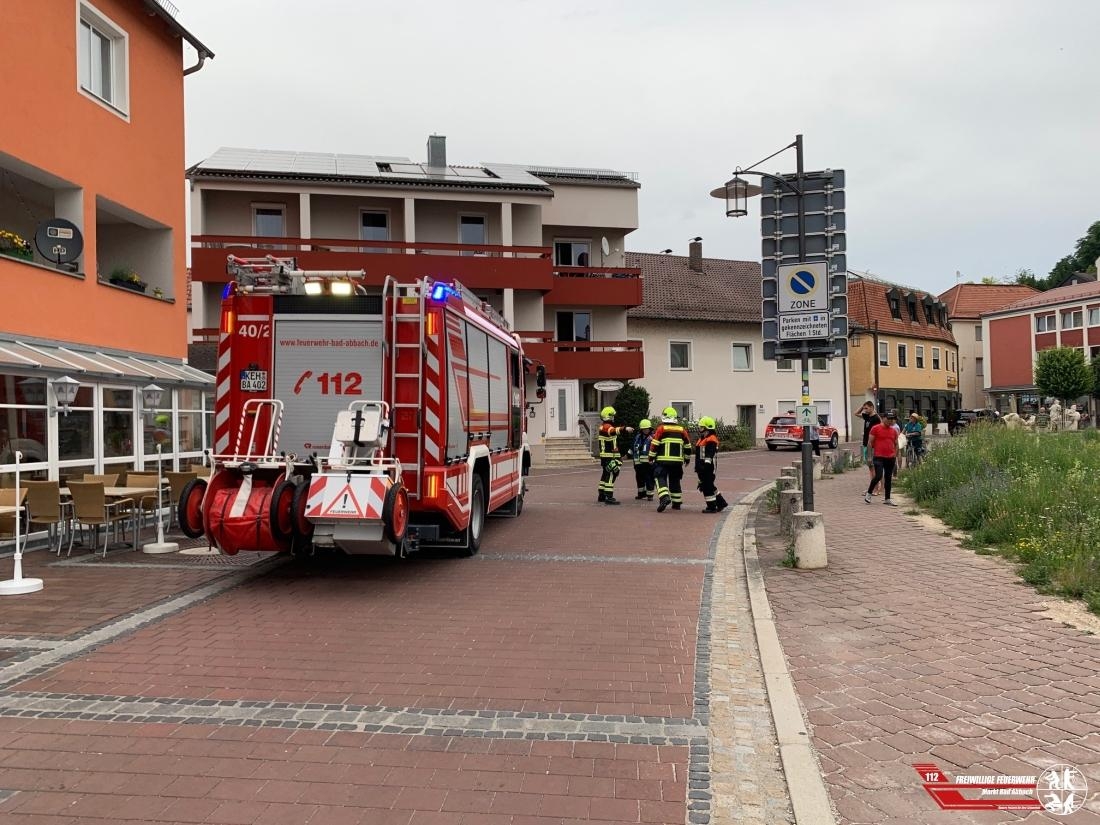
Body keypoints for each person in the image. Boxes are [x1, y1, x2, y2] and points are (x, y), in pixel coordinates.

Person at [649, 406, 692, 512]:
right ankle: (677, 503)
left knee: (659, 477)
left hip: (662, 461)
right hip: (677, 462)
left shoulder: (661, 429)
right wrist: (687, 459)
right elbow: (688, 446)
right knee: (675, 480)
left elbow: (654, 444)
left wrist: (651, 457)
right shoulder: (682, 430)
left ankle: (664, 497)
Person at [596, 406, 633, 505]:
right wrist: (625, 429)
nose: (614, 418)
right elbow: (612, 431)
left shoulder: (603, 426)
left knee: (605, 474)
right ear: (609, 416)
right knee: (612, 474)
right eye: (612, 416)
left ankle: (601, 494)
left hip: (607, 456)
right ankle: (609, 496)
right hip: (609, 456)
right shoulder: (606, 427)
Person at [694, 416, 728, 513]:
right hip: (702, 467)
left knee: (707, 487)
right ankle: (721, 503)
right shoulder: (703, 438)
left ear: (707, 428)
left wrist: (705, 466)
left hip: (708, 468)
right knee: (709, 485)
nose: (700, 429)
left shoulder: (711, 439)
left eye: (701, 427)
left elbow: (709, 454)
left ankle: (711, 507)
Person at [865, 410, 900, 506]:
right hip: (878, 457)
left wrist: (895, 455)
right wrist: (869, 457)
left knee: (888, 478)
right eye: (889, 419)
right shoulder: (875, 428)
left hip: (890, 457)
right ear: (883, 418)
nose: (890, 421)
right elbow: (869, 443)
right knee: (879, 475)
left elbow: (896, 444)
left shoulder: (894, 431)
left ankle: (887, 499)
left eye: (892, 419)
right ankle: (869, 493)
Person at [859, 401, 882, 495]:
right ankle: (872, 488)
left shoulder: (876, 418)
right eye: (864, 408)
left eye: (866, 408)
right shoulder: (867, 416)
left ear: (872, 407)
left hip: (872, 445)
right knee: (870, 468)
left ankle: (876, 488)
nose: (865, 410)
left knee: (874, 467)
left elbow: (880, 428)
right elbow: (856, 413)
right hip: (866, 444)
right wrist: (862, 407)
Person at [631, 419, 656, 500]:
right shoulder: (637, 437)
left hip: (648, 463)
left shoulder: (653, 437)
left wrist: (653, 459)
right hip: (638, 463)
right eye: (643, 429)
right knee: (639, 478)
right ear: (641, 429)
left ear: (650, 429)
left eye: (647, 429)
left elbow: (656, 449)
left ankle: (650, 495)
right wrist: (628, 454)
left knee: (649, 478)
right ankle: (641, 493)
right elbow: (633, 447)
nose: (645, 430)